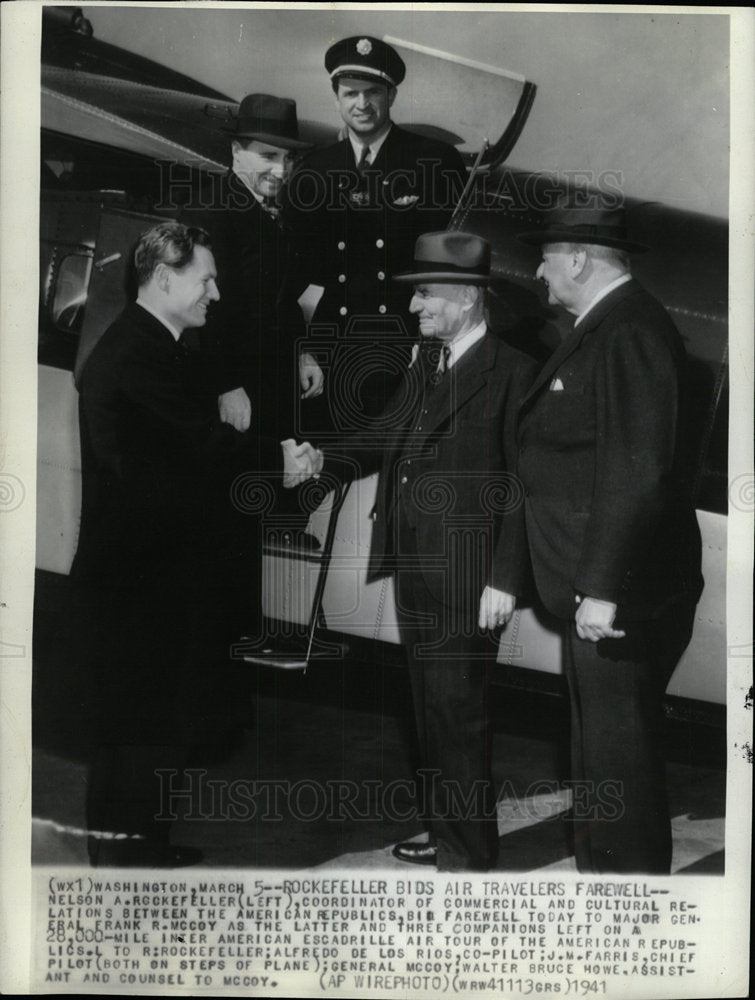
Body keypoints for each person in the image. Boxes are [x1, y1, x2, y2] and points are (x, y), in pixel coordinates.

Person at [71, 222, 318, 867]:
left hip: (157, 575)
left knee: (156, 722)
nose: (214, 291)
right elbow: (198, 448)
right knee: (137, 726)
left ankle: (143, 846)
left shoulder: (163, 347)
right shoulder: (138, 356)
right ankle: (124, 866)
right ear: (163, 278)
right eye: (204, 278)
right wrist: (283, 461)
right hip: (138, 580)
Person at [303, 232, 536, 871]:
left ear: (465, 297)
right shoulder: (428, 362)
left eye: (426, 295)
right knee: (429, 711)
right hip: (415, 565)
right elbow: (386, 434)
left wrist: (505, 579)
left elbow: (524, 486)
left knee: (459, 715)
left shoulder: (511, 373)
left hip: (467, 574)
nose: (416, 309)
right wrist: (325, 456)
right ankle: (447, 833)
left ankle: (468, 860)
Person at [512, 204, 704, 874]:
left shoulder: (626, 331)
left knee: (617, 753)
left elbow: (636, 468)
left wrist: (600, 587)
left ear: (576, 259)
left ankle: (629, 896)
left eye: (545, 257)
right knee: (599, 747)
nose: (537, 271)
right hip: (604, 581)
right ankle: (606, 882)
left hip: (620, 588)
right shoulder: (612, 324)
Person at [282, 36, 468, 432]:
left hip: (404, 345)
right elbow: (292, 273)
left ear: (392, 95)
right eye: (350, 93)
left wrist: (431, 346)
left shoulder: (433, 162)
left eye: (373, 93)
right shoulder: (314, 170)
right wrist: (304, 350)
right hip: (331, 347)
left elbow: (447, 267)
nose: (361, 105)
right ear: (336, 97)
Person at [180, 93, 324, 546]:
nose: (281, 171)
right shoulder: (211, 212)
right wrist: (226, 385)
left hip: (269, 376)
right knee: (227, 509)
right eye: (268, 156)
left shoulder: (271, 213)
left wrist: (305, 354)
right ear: (235, 151)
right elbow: (205, 310)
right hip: (233, 382)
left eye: (287, 159)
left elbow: (281, 299)